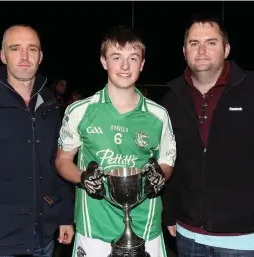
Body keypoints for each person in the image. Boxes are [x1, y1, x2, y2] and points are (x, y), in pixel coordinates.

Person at [160, 14, 254, 257]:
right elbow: (168, 159)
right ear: (184, 51)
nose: (201, 50)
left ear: (226, 48)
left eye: (211, 42)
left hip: (241, 236)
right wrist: (169, 211)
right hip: (187, 235)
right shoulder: (172, 100)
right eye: (194, 43)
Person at [55, 25, 176, 257]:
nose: (124, 66)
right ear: (103, 61)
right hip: (94, 228)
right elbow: (62, 160)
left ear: (142, 64)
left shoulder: (159, 115)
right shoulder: (80, 111)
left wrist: (160, 174)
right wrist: (82, 177)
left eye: (133, 58)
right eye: (116, 57)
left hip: (146, 227)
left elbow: (168, 162)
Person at [0, 24, 74, 257]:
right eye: (15, 48)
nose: (24, 57)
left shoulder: (49, 105)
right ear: (3, 55)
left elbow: (56, 165)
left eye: (32, 49)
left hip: (43, 241)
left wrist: (64, 216)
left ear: (40, 57)